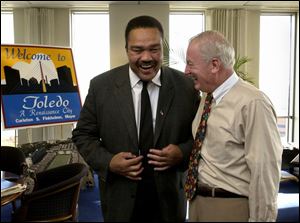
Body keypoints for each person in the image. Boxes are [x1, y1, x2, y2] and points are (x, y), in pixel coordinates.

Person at [72, 15, 199, 222]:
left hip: (169, 200)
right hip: (120, 199)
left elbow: (201, 138)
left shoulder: (186, 87)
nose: (146, 57)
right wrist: (109, 161)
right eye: (137, 50)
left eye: (154, 49)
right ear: (127, 50)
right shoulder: (101, 86)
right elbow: (83, 135)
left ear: (162, 49)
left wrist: (182, 153)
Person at [184, 30, 282, 222]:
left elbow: (264, 171)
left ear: (214, 65)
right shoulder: (207, 99)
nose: (186, 71)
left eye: (190, 64)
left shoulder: (253, 103)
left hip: (230, 207)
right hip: (197, 204)